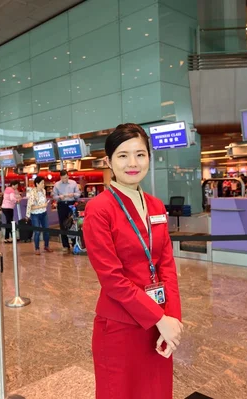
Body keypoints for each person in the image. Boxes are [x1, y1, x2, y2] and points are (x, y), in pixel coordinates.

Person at [83, 123, 182, 399]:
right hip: (120, 327)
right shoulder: (99, 209)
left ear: (149, 157)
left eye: (140, 154)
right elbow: (112, 279)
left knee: (158, 392)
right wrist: (159, 318)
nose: (132, 163)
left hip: (158, 324)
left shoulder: (156, 205)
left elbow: (166, 266)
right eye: (122, 155)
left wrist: (172, 317)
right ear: (109, 162)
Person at [53, 170, 80, 253]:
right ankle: (65, 245)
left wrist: (73, 195)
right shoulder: (57, 185)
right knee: (62, 225)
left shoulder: (73, 183)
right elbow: (54, 196)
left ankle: (75, 243)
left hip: (71, 205)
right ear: (60, 177)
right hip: (61, 205)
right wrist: (59, 197)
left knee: (73, 223)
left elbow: (78, 194)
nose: (65, 179)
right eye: (63, 178)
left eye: (66, 177)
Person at [26, 176, 53, 255]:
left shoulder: (43, 191)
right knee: (37, 232)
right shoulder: (32, 193)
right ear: (37, 184)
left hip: (43, 213)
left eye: (43, 183)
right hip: (35, 215)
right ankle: (37, 248)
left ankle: (46, 246)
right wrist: (42, 206)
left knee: (46, 230)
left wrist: (44, 206)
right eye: (42, 183)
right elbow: (31, 206)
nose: (43, 185)